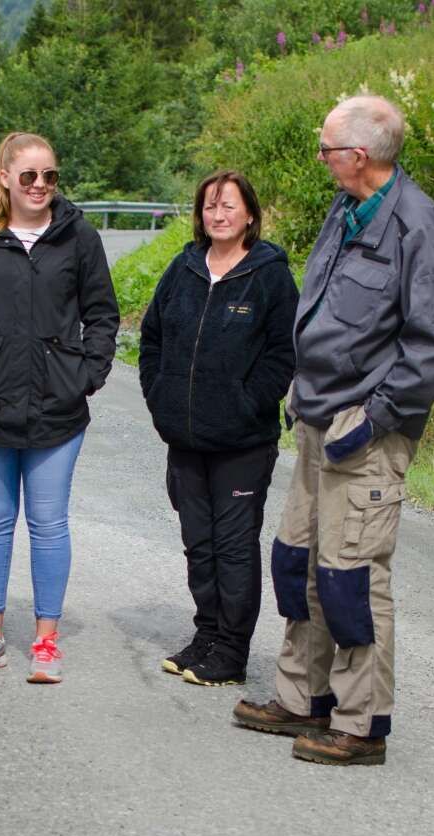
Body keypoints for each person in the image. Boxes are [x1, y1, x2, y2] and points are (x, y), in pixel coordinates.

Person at [233, 95, 434, 766]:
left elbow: (433, 345)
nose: (321, 157)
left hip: (365, 431)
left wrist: (377, 417)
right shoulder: (346, 207)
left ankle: (361, 726)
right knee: (299, 561)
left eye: (327, 148)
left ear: (358, 156)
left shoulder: (415, 224)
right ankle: (303, 698)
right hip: (315, 416)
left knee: (352, 578)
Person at [0, 132, 119, 684]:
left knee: (48, 523)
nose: (41, 186)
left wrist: (87, 375)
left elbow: (102, 314)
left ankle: (45, 640)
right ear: (5, 178)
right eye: (30, 176)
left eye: (50, 176)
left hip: (58, 406)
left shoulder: (79, 236)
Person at [139, 170, 297, 688]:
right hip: (185, 439)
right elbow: (152, 338)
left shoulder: (269, 275)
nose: (218, 214)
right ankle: (206, 636)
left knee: (233, 547)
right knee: (199, 545)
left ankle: (231, 651)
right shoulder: (184, 268)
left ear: (249, 214)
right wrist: (160, 396)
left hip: (242, 443)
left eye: (229, 205)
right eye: (210, 206)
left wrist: (247, 402)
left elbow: (284, 354)